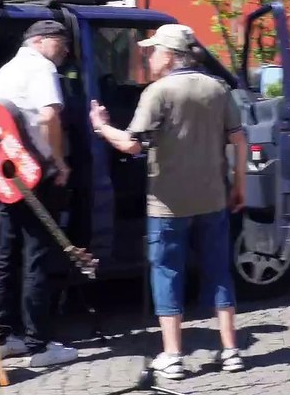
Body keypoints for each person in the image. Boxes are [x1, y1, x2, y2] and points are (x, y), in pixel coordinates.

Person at [89, 23, 249, 380]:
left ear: (170, 55)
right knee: (219, 271)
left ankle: (173, 356)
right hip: (212, 197)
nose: (148, 56)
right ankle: (231, 351)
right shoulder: (218, 88)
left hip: (167, 203)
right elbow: (238, 141)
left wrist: (100, 126)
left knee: (167, 273)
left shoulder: (158, 92)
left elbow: (132, 144)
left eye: (152, 50)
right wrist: (240, 186)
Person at [0, 20, 78, 367]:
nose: (66, 51)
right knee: (36, 256)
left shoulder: (4, 71)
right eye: (61, 43)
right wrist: (59, 161)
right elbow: (50, 117)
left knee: (7, 255)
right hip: (37, 175)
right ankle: (39, 346)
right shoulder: (41, 69)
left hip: (8, 177)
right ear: (39, 41)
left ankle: (3, 338)